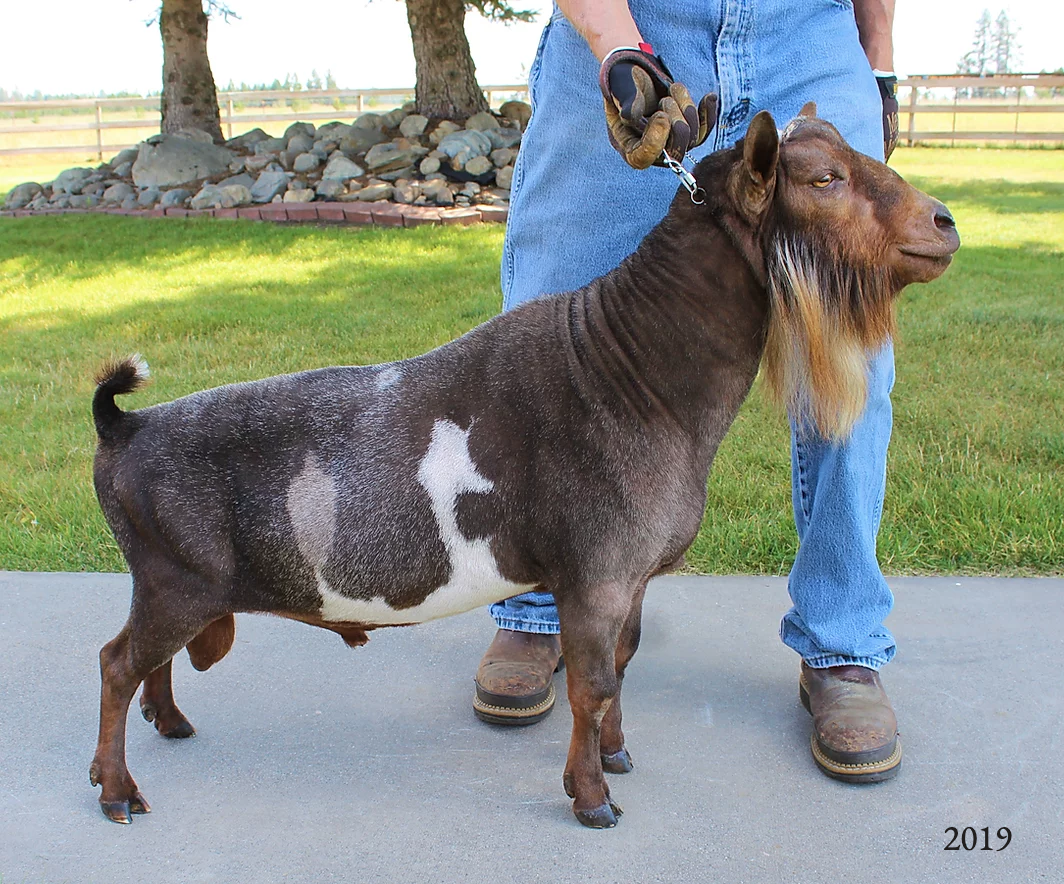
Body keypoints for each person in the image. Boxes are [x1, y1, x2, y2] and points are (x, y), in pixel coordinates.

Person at [472, 0, 905, 783]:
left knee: (854, 369)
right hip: (637, 30)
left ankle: (842, 643)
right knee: (544, 340)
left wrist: (876, 63)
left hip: (808, 39)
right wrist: (617, 49)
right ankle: (537, 606)